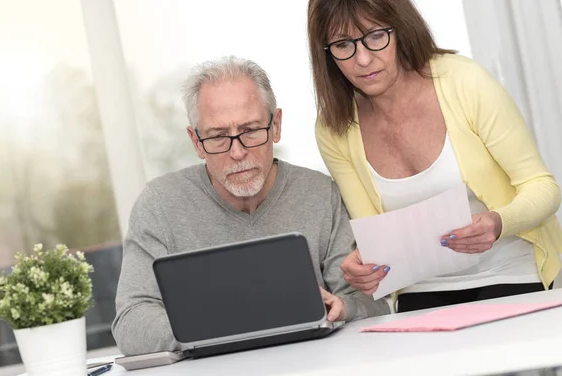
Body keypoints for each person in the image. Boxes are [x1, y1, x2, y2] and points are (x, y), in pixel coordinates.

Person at [112, 56, 389, 356]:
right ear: (195, 141)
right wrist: (227, 326)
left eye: (250, 131)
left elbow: (371, 302)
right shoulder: (159, 205)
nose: (238, 152)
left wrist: (344, 307)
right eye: (217, 137)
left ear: (276, 126)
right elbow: (131, 323)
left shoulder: (320, 193)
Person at [307, 0, 562, 312]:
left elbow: (543, 187)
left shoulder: (465, 81)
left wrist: (499, 222)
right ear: (326, 53)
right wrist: (362, 265)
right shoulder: (334, 127)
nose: (362, 59)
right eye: (343, 44)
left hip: (510, 272)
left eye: (375, 36)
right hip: (421, 289)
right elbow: (372, 232)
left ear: (400, 29)